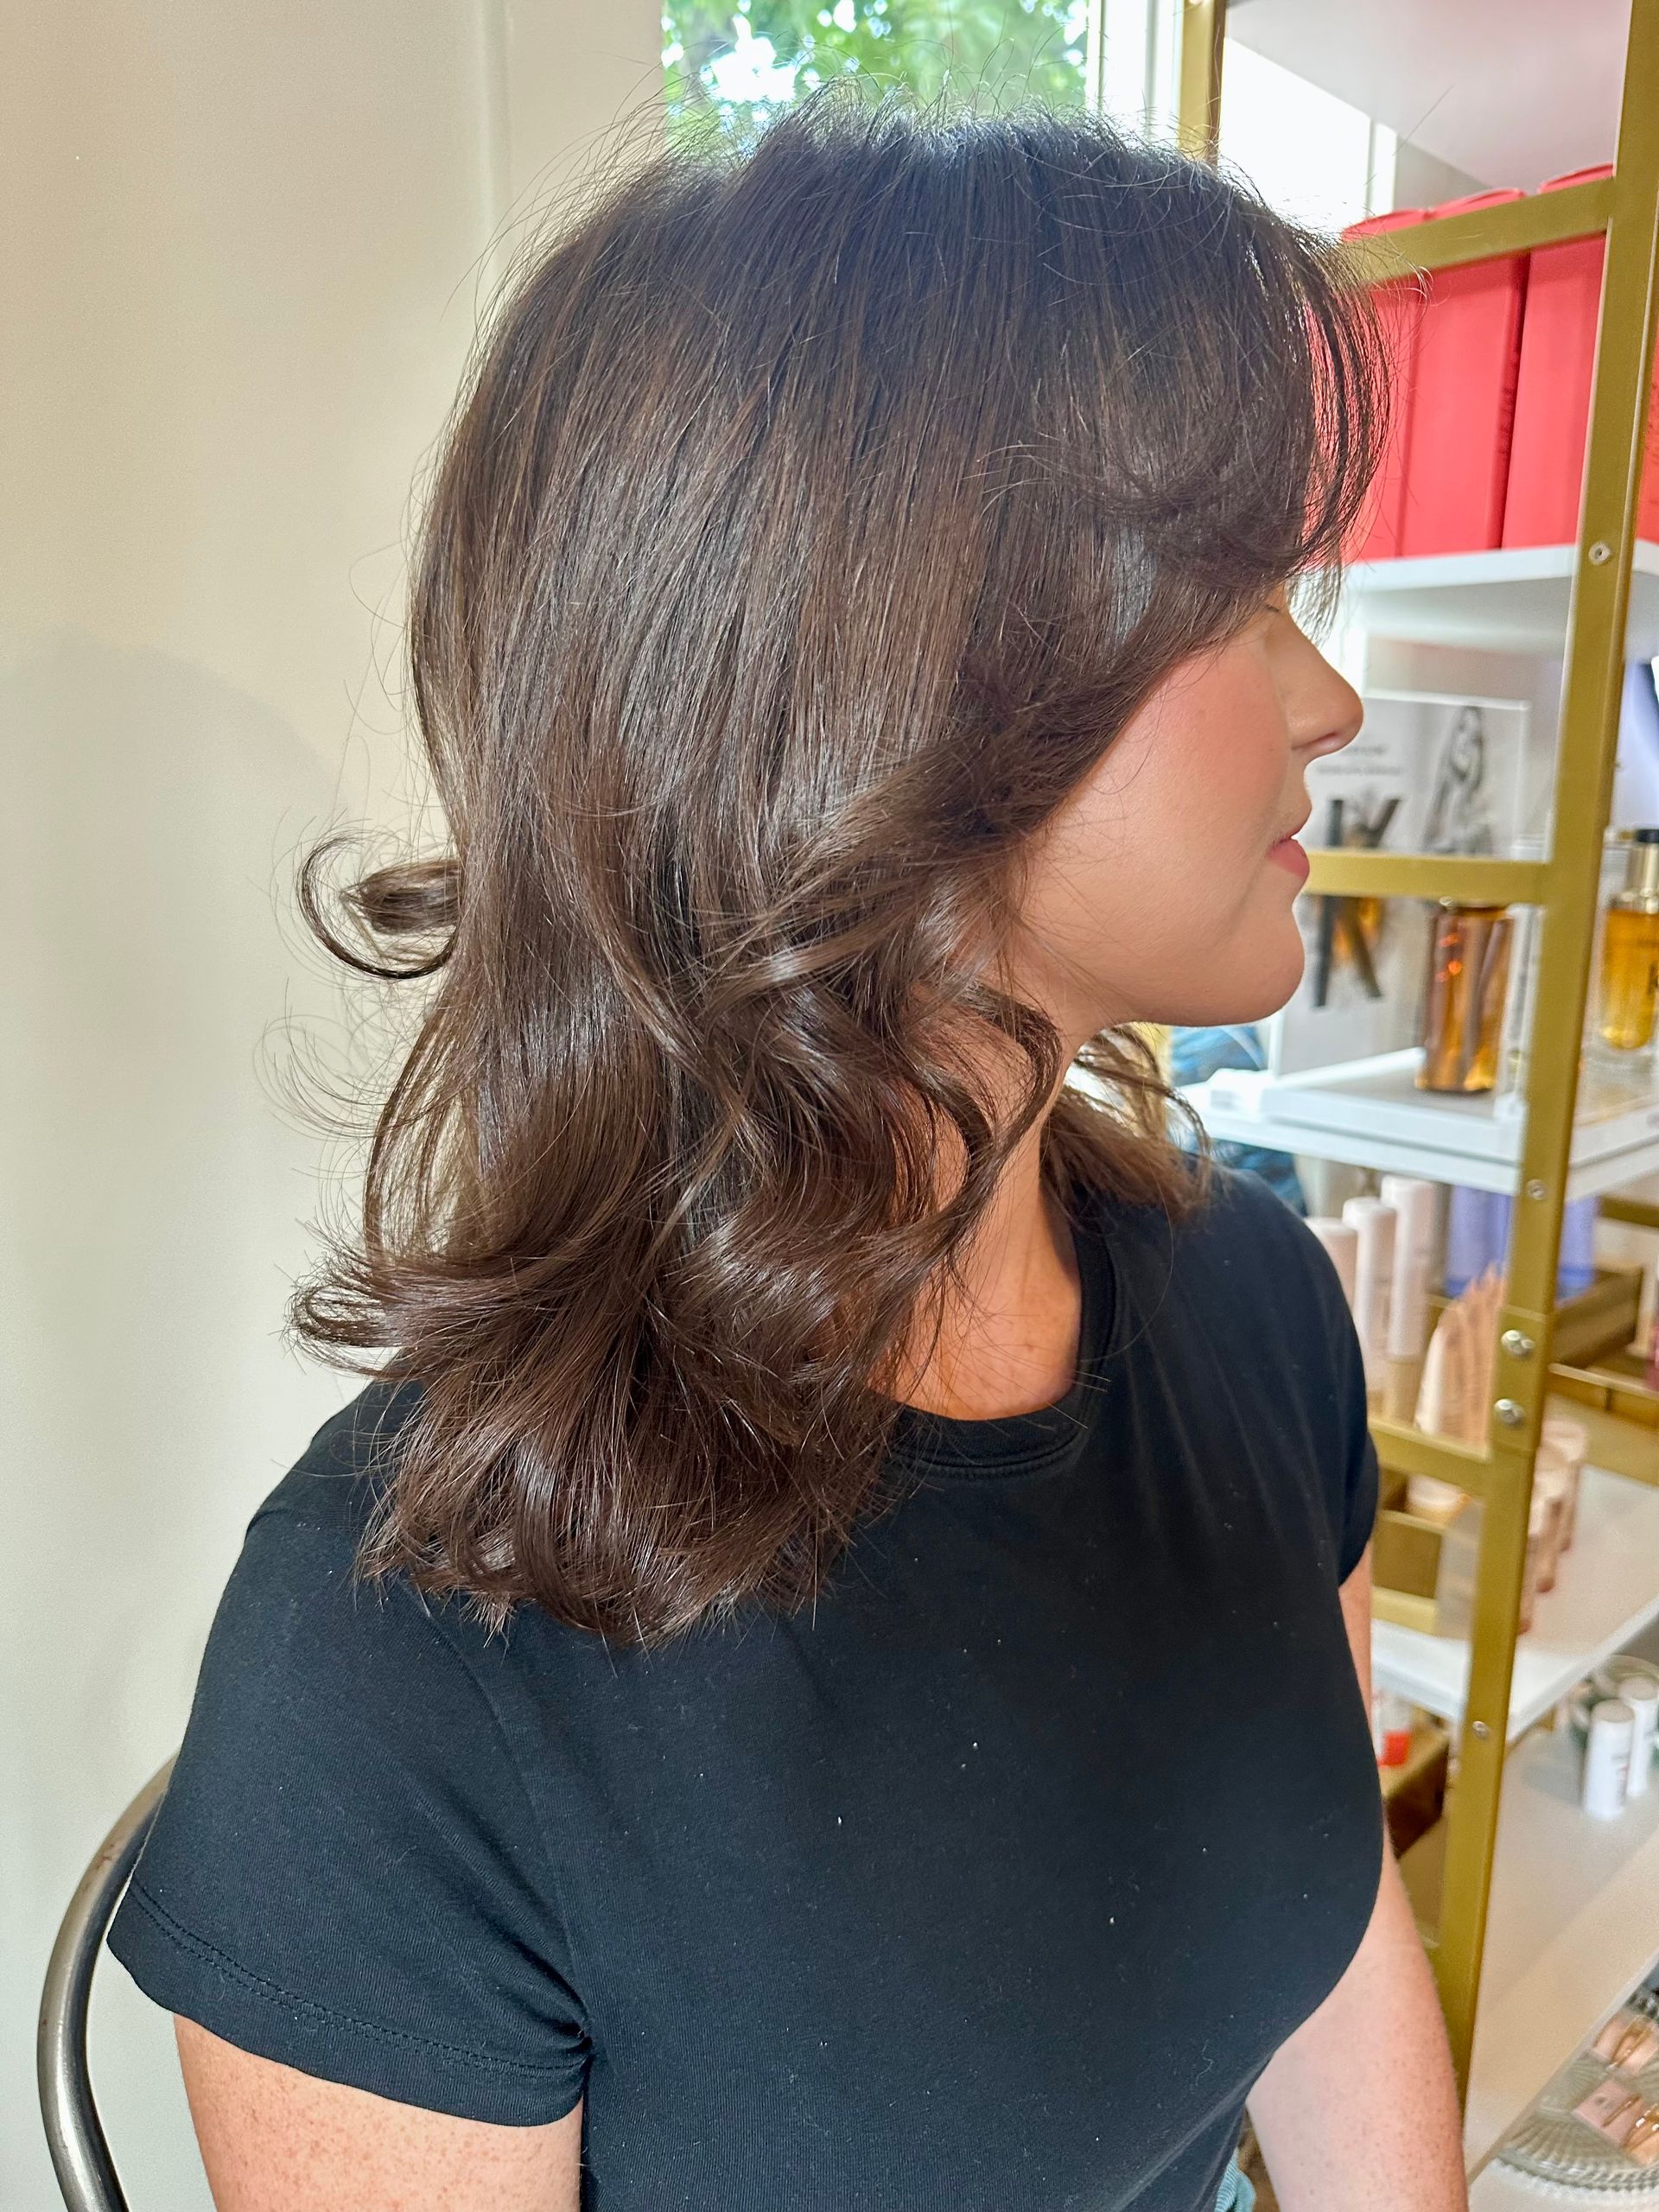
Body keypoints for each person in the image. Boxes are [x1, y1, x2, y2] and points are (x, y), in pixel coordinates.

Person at [105, 83, 1469, 2212]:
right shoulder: (405, 1664)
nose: (1327, 701)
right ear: (890, 687)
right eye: (1229, 595)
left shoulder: (1253, 1308)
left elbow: (1331, 1941)